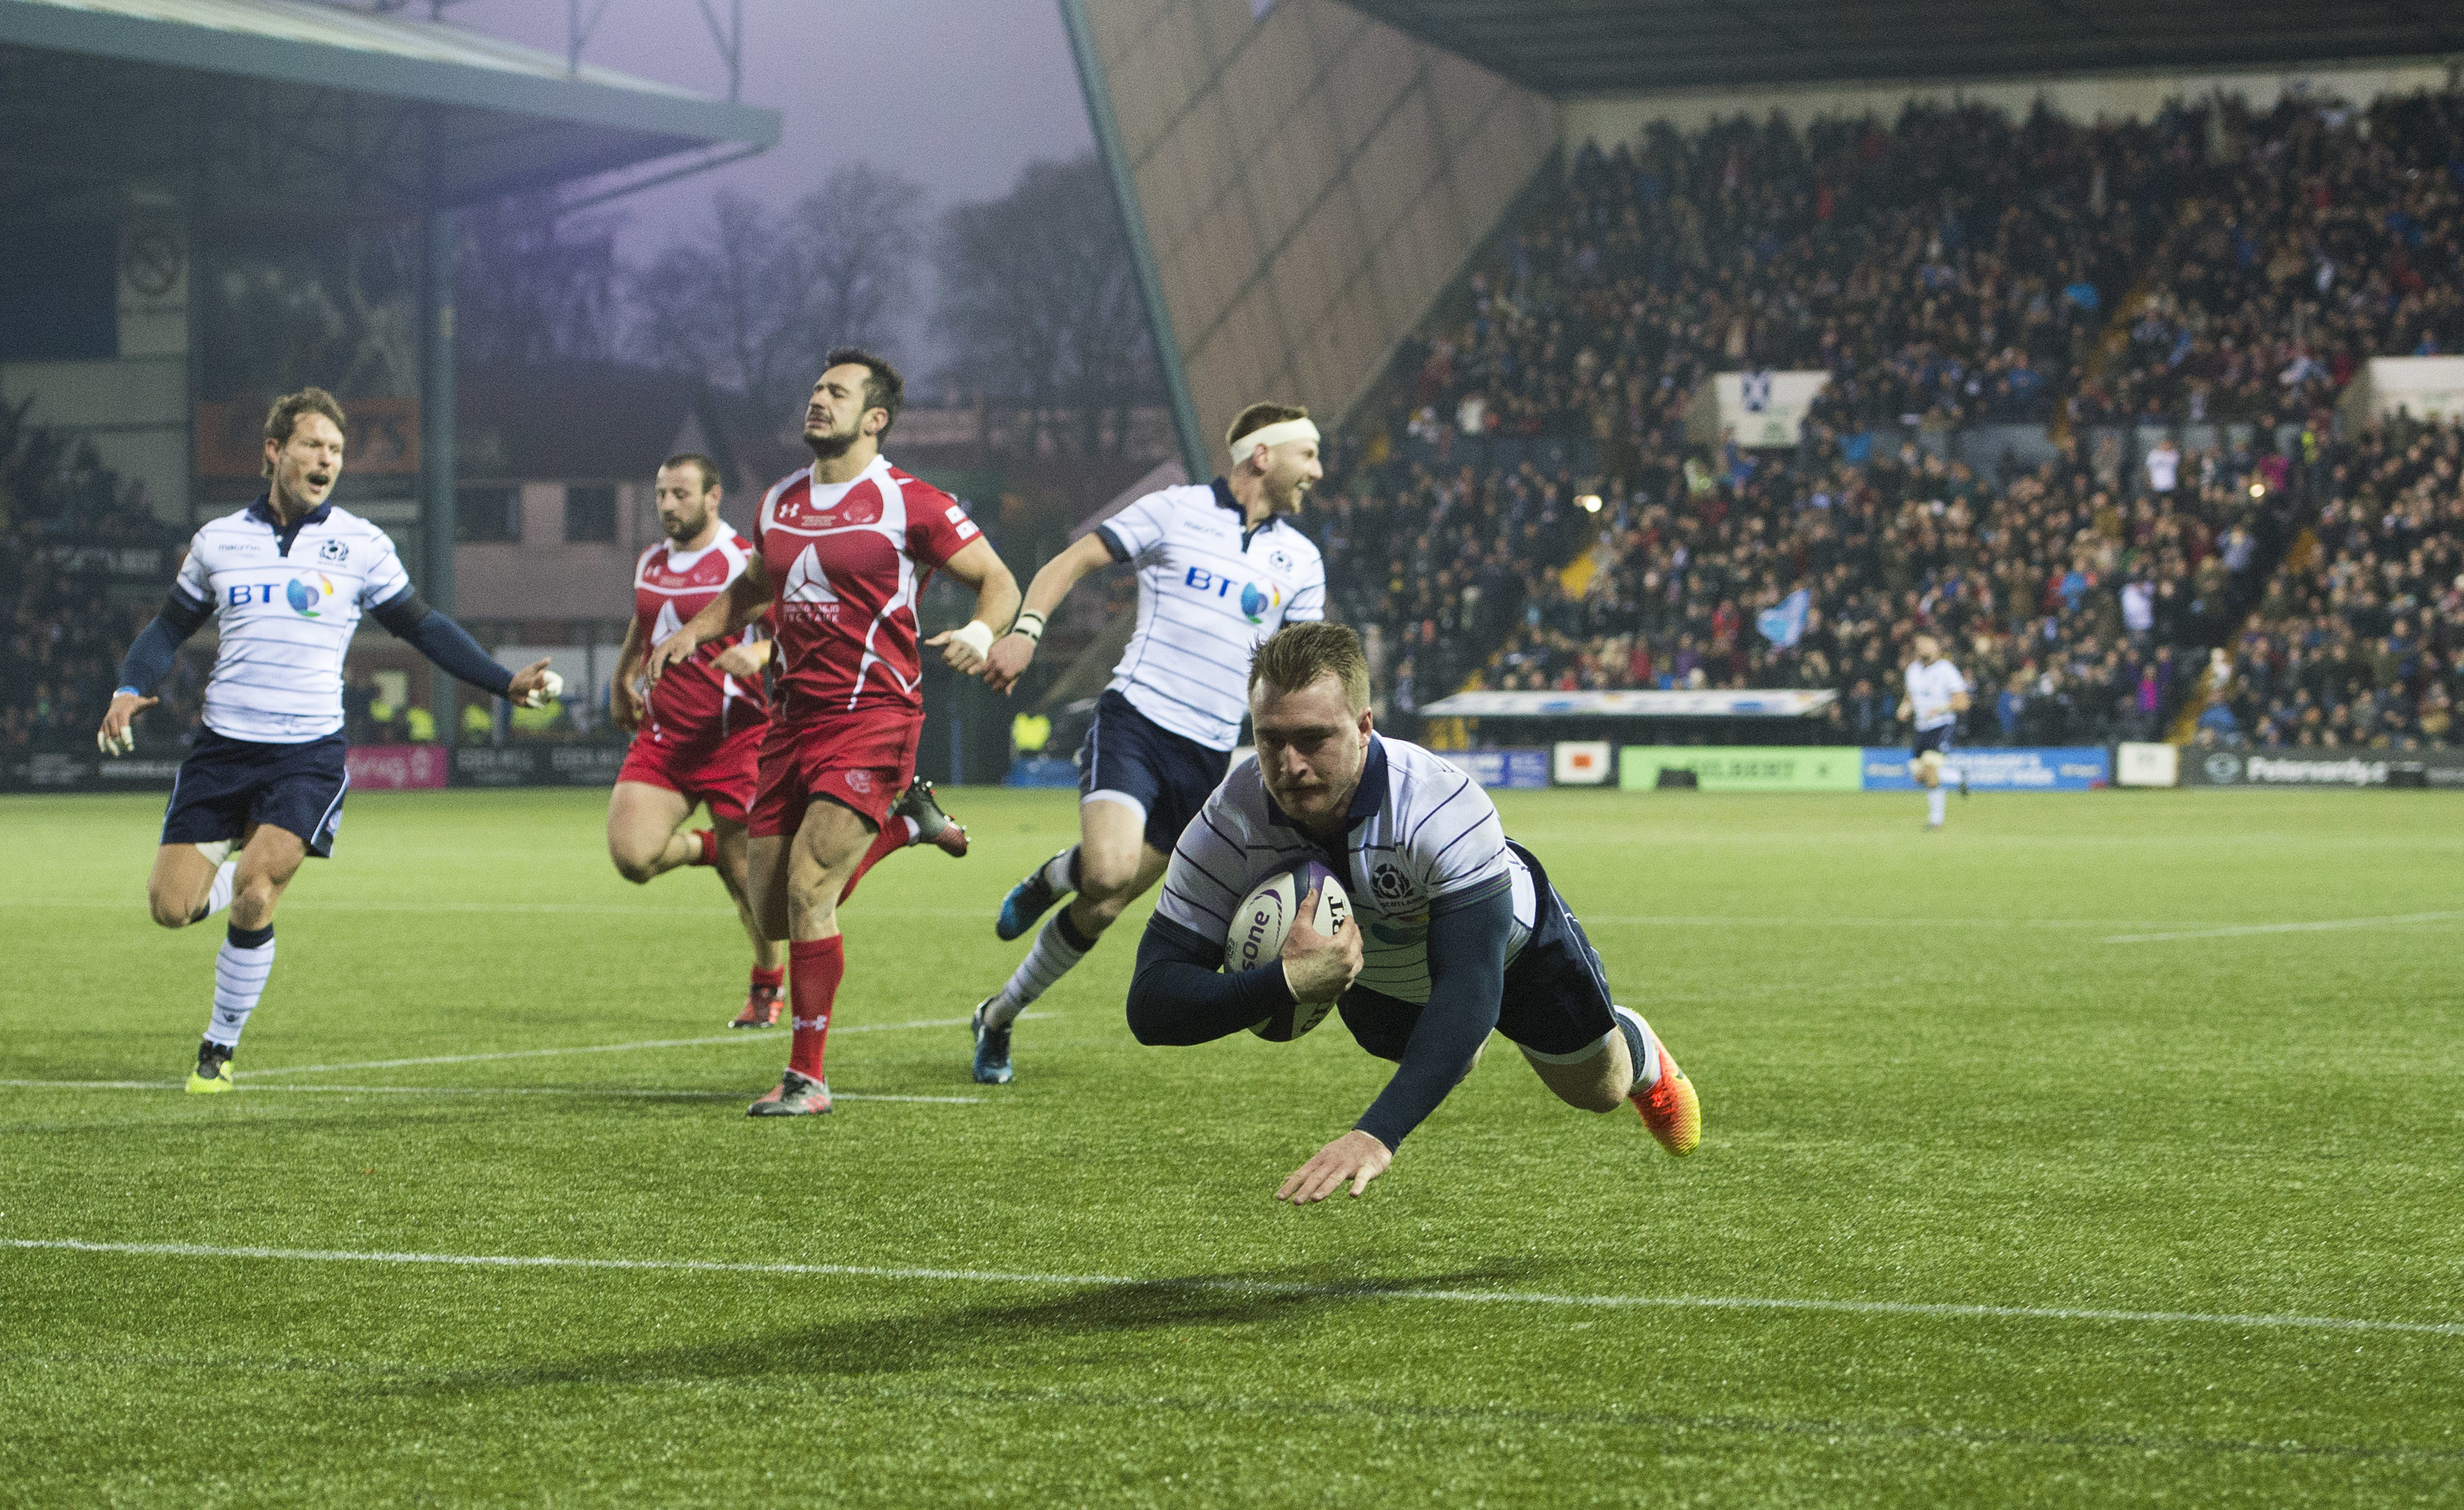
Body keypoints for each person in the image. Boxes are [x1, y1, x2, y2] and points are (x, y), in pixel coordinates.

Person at [1123, 622, 1699, 1202]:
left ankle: (1638, 1047)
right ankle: (1456, 1045)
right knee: (1444, 1052)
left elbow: (1471, 984)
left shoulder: (1438, 803)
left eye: (1313, 738)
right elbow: (1151, 1005)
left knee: (1598, 1090)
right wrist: (1285, 982)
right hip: (1376, 975)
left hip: (1508, 949)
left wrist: (1377, 1133)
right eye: (1270, 740)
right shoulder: (1228, 823)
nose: (1290, 764)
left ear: (1364, 727)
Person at [96, 387, 557, 1092]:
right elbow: (167, 629)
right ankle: (238, 873)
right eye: (314, 445)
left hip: (305, 756)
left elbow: (424, 627)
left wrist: (501, 681)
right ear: (276, 452)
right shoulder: (220, 541)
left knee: (257, 892)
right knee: (171, 909)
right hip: (222, 750)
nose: (327, 460)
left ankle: (217, 1050)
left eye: (337, 450)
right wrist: (130, 686)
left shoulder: (363, 546)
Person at [643, 350, 1020, 1116]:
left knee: (813, 887)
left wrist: (984, 633)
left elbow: (999, 581)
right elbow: (751, 587)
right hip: (790, 723)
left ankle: (806, 1078)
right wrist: (696, 632)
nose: (818, 400)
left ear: (874, 419)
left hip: (876, 715)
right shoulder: (779, 501)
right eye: (815, 387)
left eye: (837, 392)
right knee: (775, 912)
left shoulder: (911, 502)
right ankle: (908, 826)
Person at [965, 402, 1328, 1084]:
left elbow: (1295, 667)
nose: (1316, 469)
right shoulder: (1176, 510)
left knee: (1102, 906)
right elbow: (1072, 560)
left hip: (1209, 758)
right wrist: (1027, 630)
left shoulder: (1301, 560)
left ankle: (997, 1016)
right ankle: (1055, 876)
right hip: (1137, 719)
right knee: (1106, 871)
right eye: (1306, 454)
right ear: (1262, 456)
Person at [608, 454, 972, 1030]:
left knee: (782, 893)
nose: (667, 506)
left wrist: (756, 654)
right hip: (666, 735)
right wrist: (621, 677)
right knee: (633, 857)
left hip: (740, 736)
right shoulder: (651, 560)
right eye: (660, 494)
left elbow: (790, 607)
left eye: (679, 493)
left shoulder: (741, 552)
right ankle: (716, 849)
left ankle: (767, 990)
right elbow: (644, 621)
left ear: (712, 497)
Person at [1899, 632, 1971, 830]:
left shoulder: (1946, 670)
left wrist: (1941, 708)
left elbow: (1963, 703)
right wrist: (1905, 707)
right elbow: (1910, 696)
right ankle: (1957, 776)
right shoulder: (1912, 670)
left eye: (1927, 645)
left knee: (1930, 769)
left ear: (1937, 648)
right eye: (1919, 645)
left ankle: (1936, 821)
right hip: (1921, 728)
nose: (1922, 648)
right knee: (1919, 775)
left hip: (1942, 725)